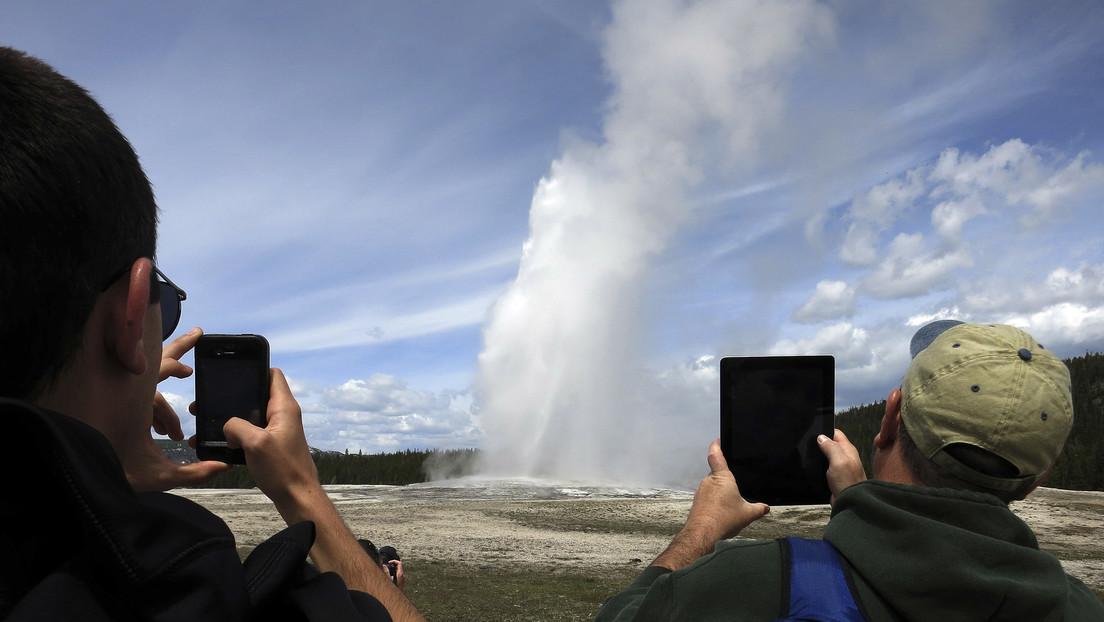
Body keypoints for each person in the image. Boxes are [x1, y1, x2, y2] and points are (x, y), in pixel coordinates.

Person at [0, 46, 424, 621]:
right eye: (166, 305)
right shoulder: (181, 586)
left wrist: (85, 477)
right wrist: (300, 488)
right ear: (130, 317)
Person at [595, 320, 1104, 621]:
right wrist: (859, 507)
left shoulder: (747, 585)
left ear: (887, 420)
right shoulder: (1075, 607)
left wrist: (701, 531)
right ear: (1038, 476)